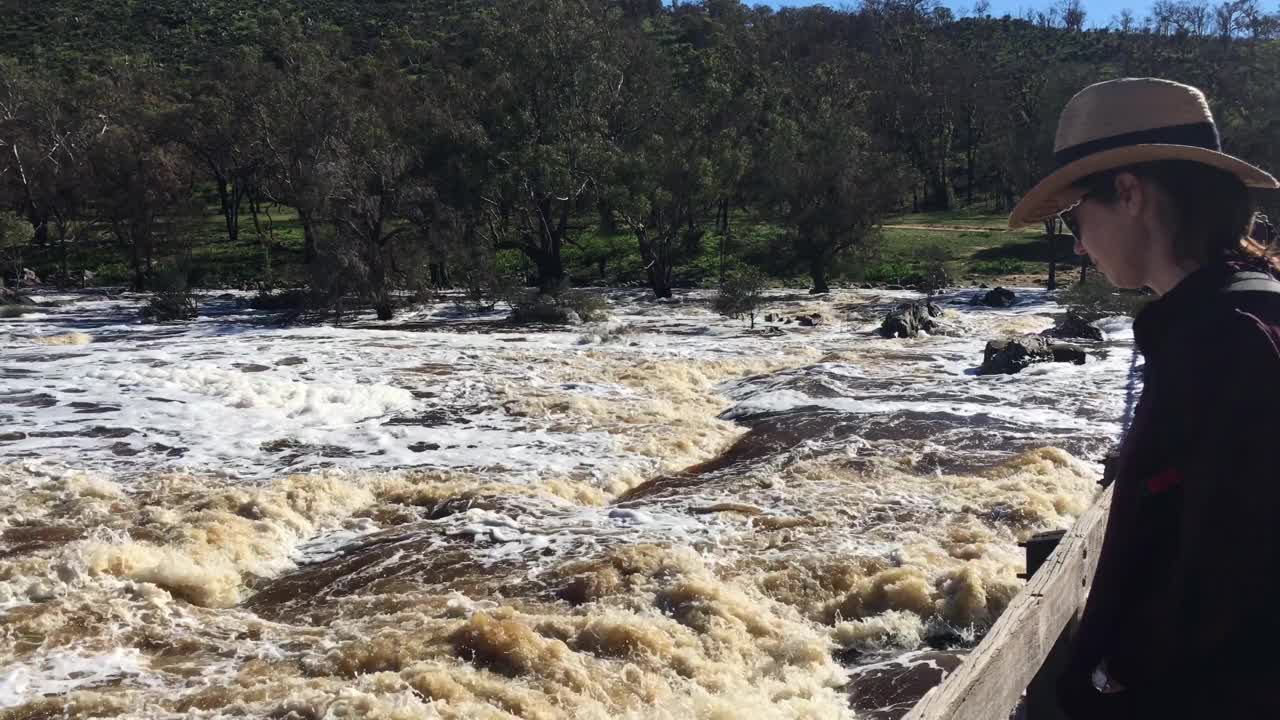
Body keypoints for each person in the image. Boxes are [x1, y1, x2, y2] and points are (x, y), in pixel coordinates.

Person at [1009, 77, 1280, 718]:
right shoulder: (1237, 313)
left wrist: (1114, 674)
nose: (1077, 243)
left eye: (1076, 217)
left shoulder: (1224, 341)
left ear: (1127, 193)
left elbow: (1229, 571)